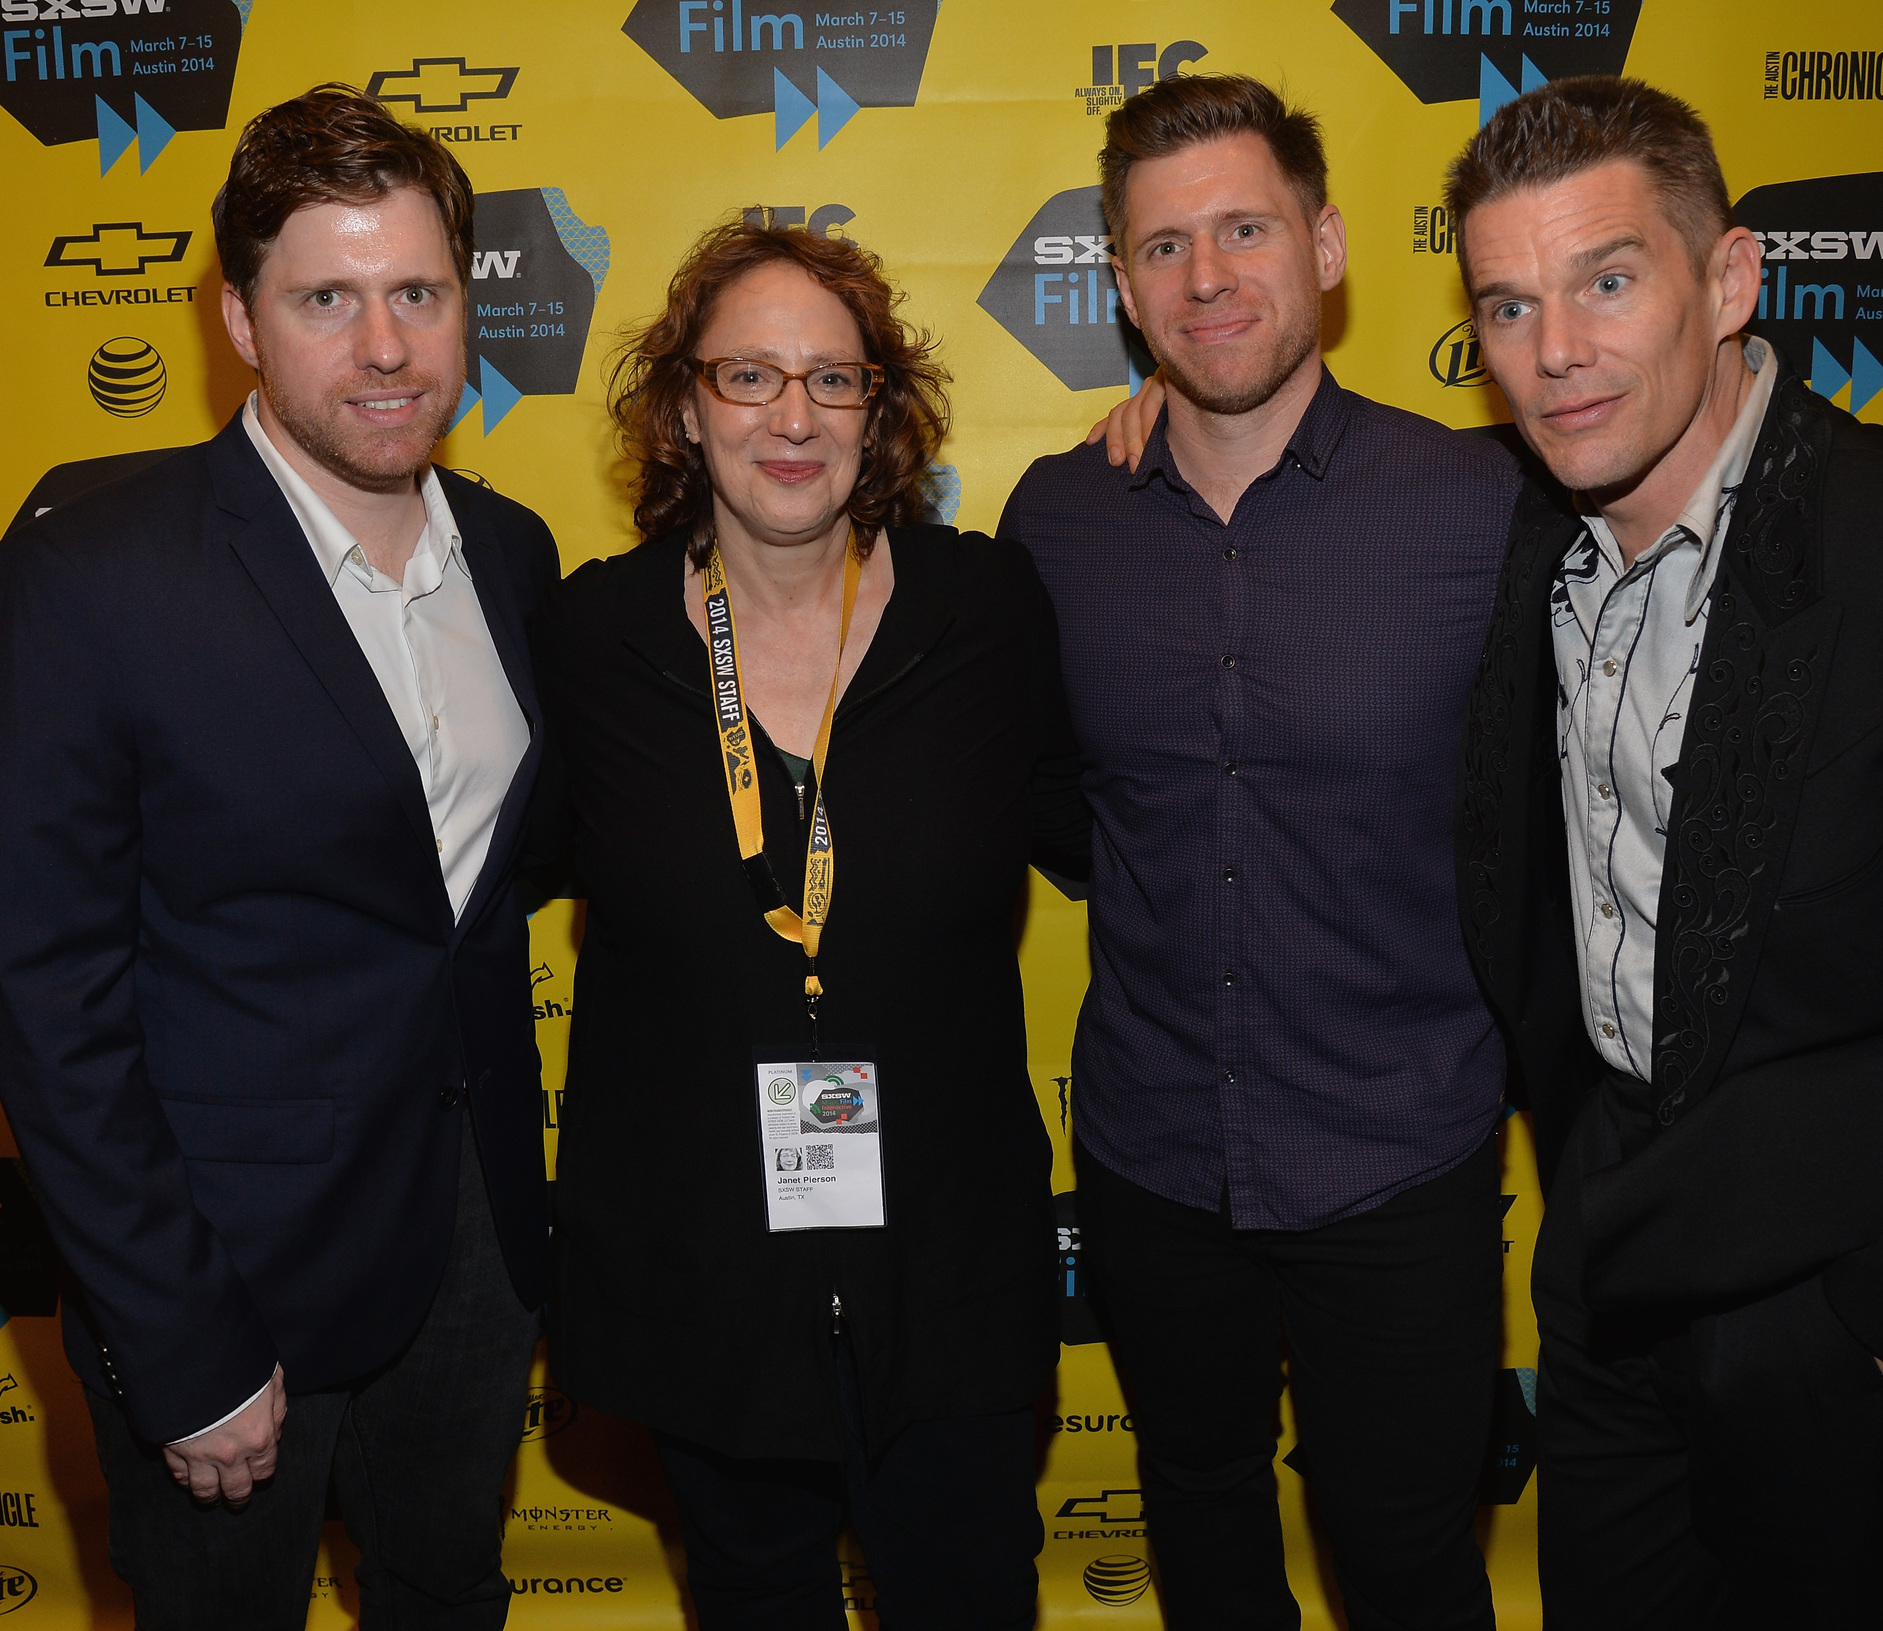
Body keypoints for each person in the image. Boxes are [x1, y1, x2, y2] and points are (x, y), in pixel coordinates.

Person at [1444, 76, 1883, 1630]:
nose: (1555, 351)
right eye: (1506, 305)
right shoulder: (1523, 531)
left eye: (1608, 279)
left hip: (1842, 1315)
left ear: (1730, 280)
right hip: (1608, 1283)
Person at [0, 86, 558, 1628]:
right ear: (240, 317)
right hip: (225, 1278)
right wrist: (175, 1343)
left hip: (473, 1243)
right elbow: (46, 1000)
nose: (385, 348)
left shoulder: (511, 554)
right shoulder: (88, 577)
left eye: (418, 294)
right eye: (327, 298)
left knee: (448, 1598)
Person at [1002, 74, 1521, 1631]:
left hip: (1400, 1155)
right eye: (1164, 247)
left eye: (1244, 229)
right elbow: (1053, 807)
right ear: (1120, 282)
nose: (1207, 276)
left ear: (1331, 246)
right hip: (1155, 1151)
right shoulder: (1056, 518)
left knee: (1412, 1560)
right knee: (1205, 1533)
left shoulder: (1483, 505)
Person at [529, 217, 1091, 1631]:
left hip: (949, 1284)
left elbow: (1109, 826)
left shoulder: (991, 613)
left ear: (880, 413)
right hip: (706, 1287)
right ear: (679, 407)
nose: (793, 417)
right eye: (748, 377)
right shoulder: (592, 644)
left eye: (833, 381)